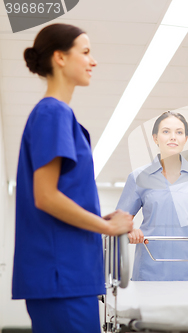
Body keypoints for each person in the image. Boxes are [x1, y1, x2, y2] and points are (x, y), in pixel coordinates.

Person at [12, 24, 134, 333]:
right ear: (60, 58)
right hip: (61, 275)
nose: (93, 62)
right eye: (86, 52)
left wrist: (98, 218)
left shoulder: (57, 115)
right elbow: (46, 196)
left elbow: (61, 194)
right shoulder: (53, 113)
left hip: (68, 274)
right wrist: (107, 227)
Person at [117, 111, 188, 281]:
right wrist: (131, 231)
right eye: (166, 131)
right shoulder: (139, 177)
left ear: (186, 139)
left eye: (179, 132)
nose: (173, 137)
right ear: (155, 138)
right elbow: (119, 221)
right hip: (149, 270)